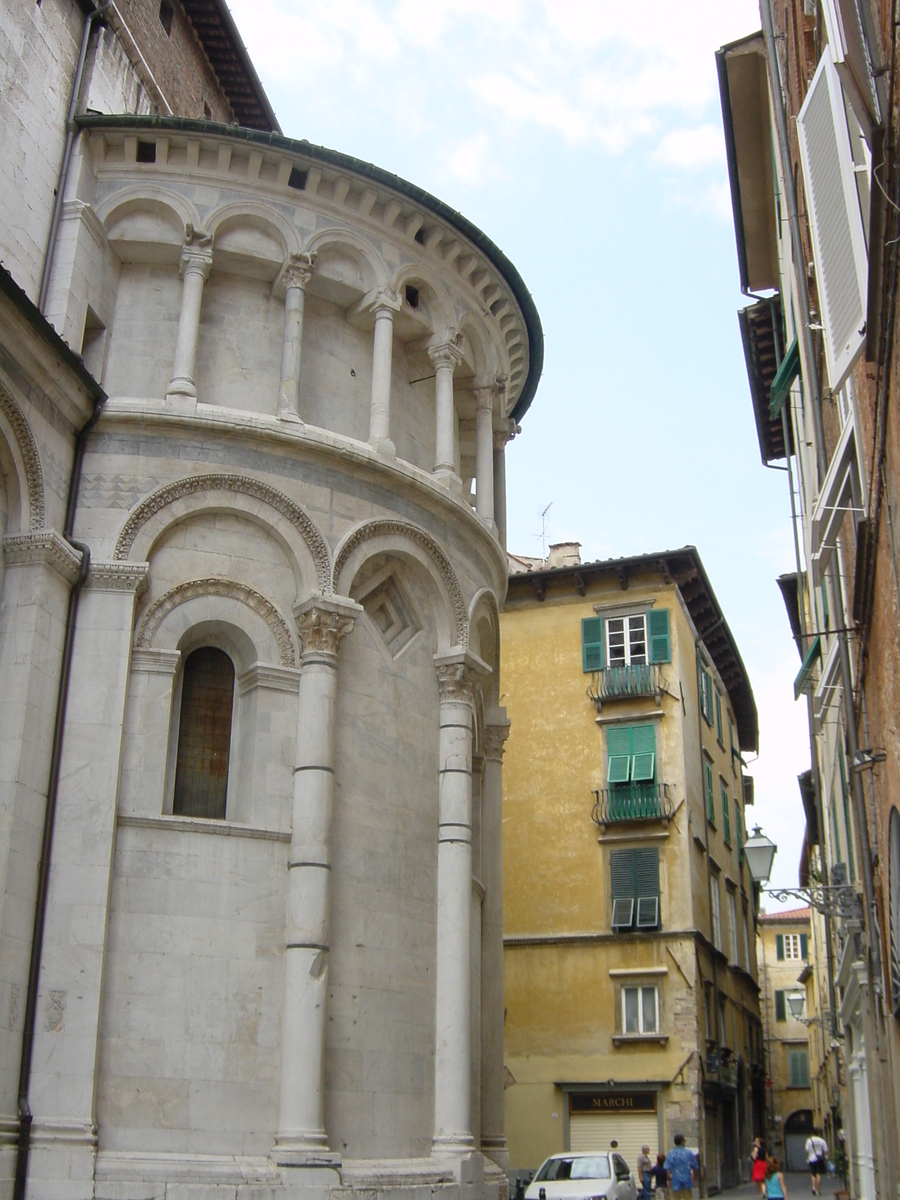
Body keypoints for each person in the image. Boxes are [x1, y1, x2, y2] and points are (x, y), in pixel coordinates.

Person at [664, 1133, 698, 1200]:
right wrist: (694, 1176)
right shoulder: (689, 1153)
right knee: (688, 1197)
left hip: (675, 1180)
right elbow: (695, 1166)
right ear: (682, 1141)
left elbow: (667, 1168)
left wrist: (668, 1179)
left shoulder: (671, 1153)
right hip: (687, 1180)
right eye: (684, 1140)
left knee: (675, 1198)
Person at [805, 1130, 829, 1196]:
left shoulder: (809, 1140)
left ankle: (813, 1187)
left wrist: (811, 1152)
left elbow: (806, 1150)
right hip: (819, 1159)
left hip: (811, 1159)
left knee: (813, 1174)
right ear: (818, 1133)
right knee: (818, 1174)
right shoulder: (822, 1140)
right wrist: (826, 1157)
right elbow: (826, 1150)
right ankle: (818, 1191)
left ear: (812, 1133)